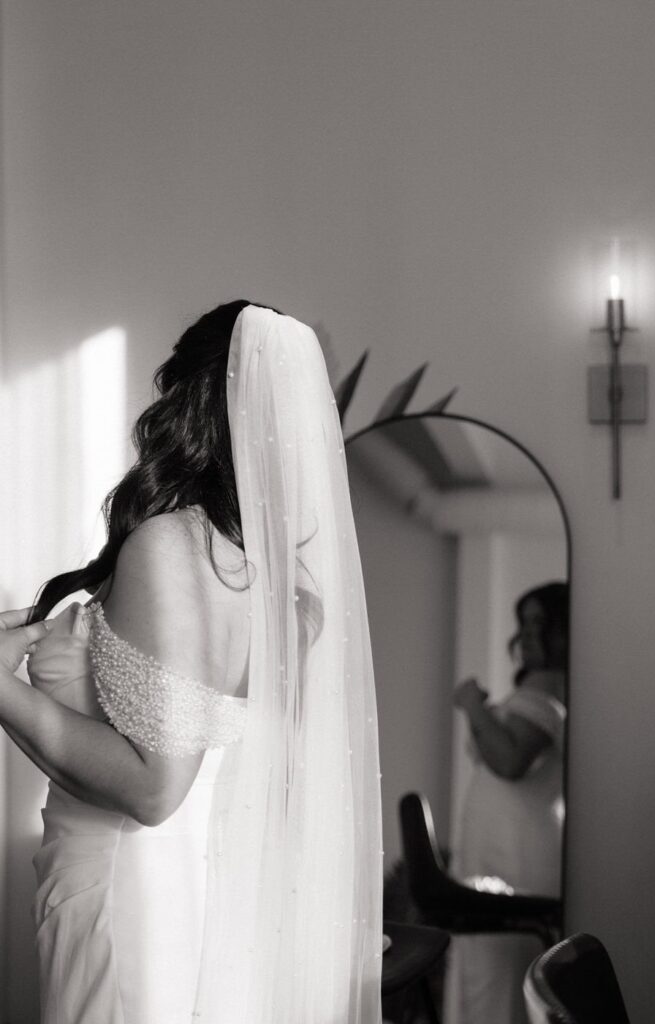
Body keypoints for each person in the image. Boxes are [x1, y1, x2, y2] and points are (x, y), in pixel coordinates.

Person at [0, 302, 383, 1023]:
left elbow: (154, 790)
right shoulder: (281, 587)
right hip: (206, 898)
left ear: (192, 399)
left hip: (135, 896)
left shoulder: (171, 546)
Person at [449, 581, 568, 1024]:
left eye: (543, 621)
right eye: (526, 622)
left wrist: (470, 704)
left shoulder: (553, 687)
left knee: (500, 982)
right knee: (487, 975)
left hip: (518, 857)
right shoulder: (538, 687)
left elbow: (510, 759)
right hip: (499, 849)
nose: (531, 632)